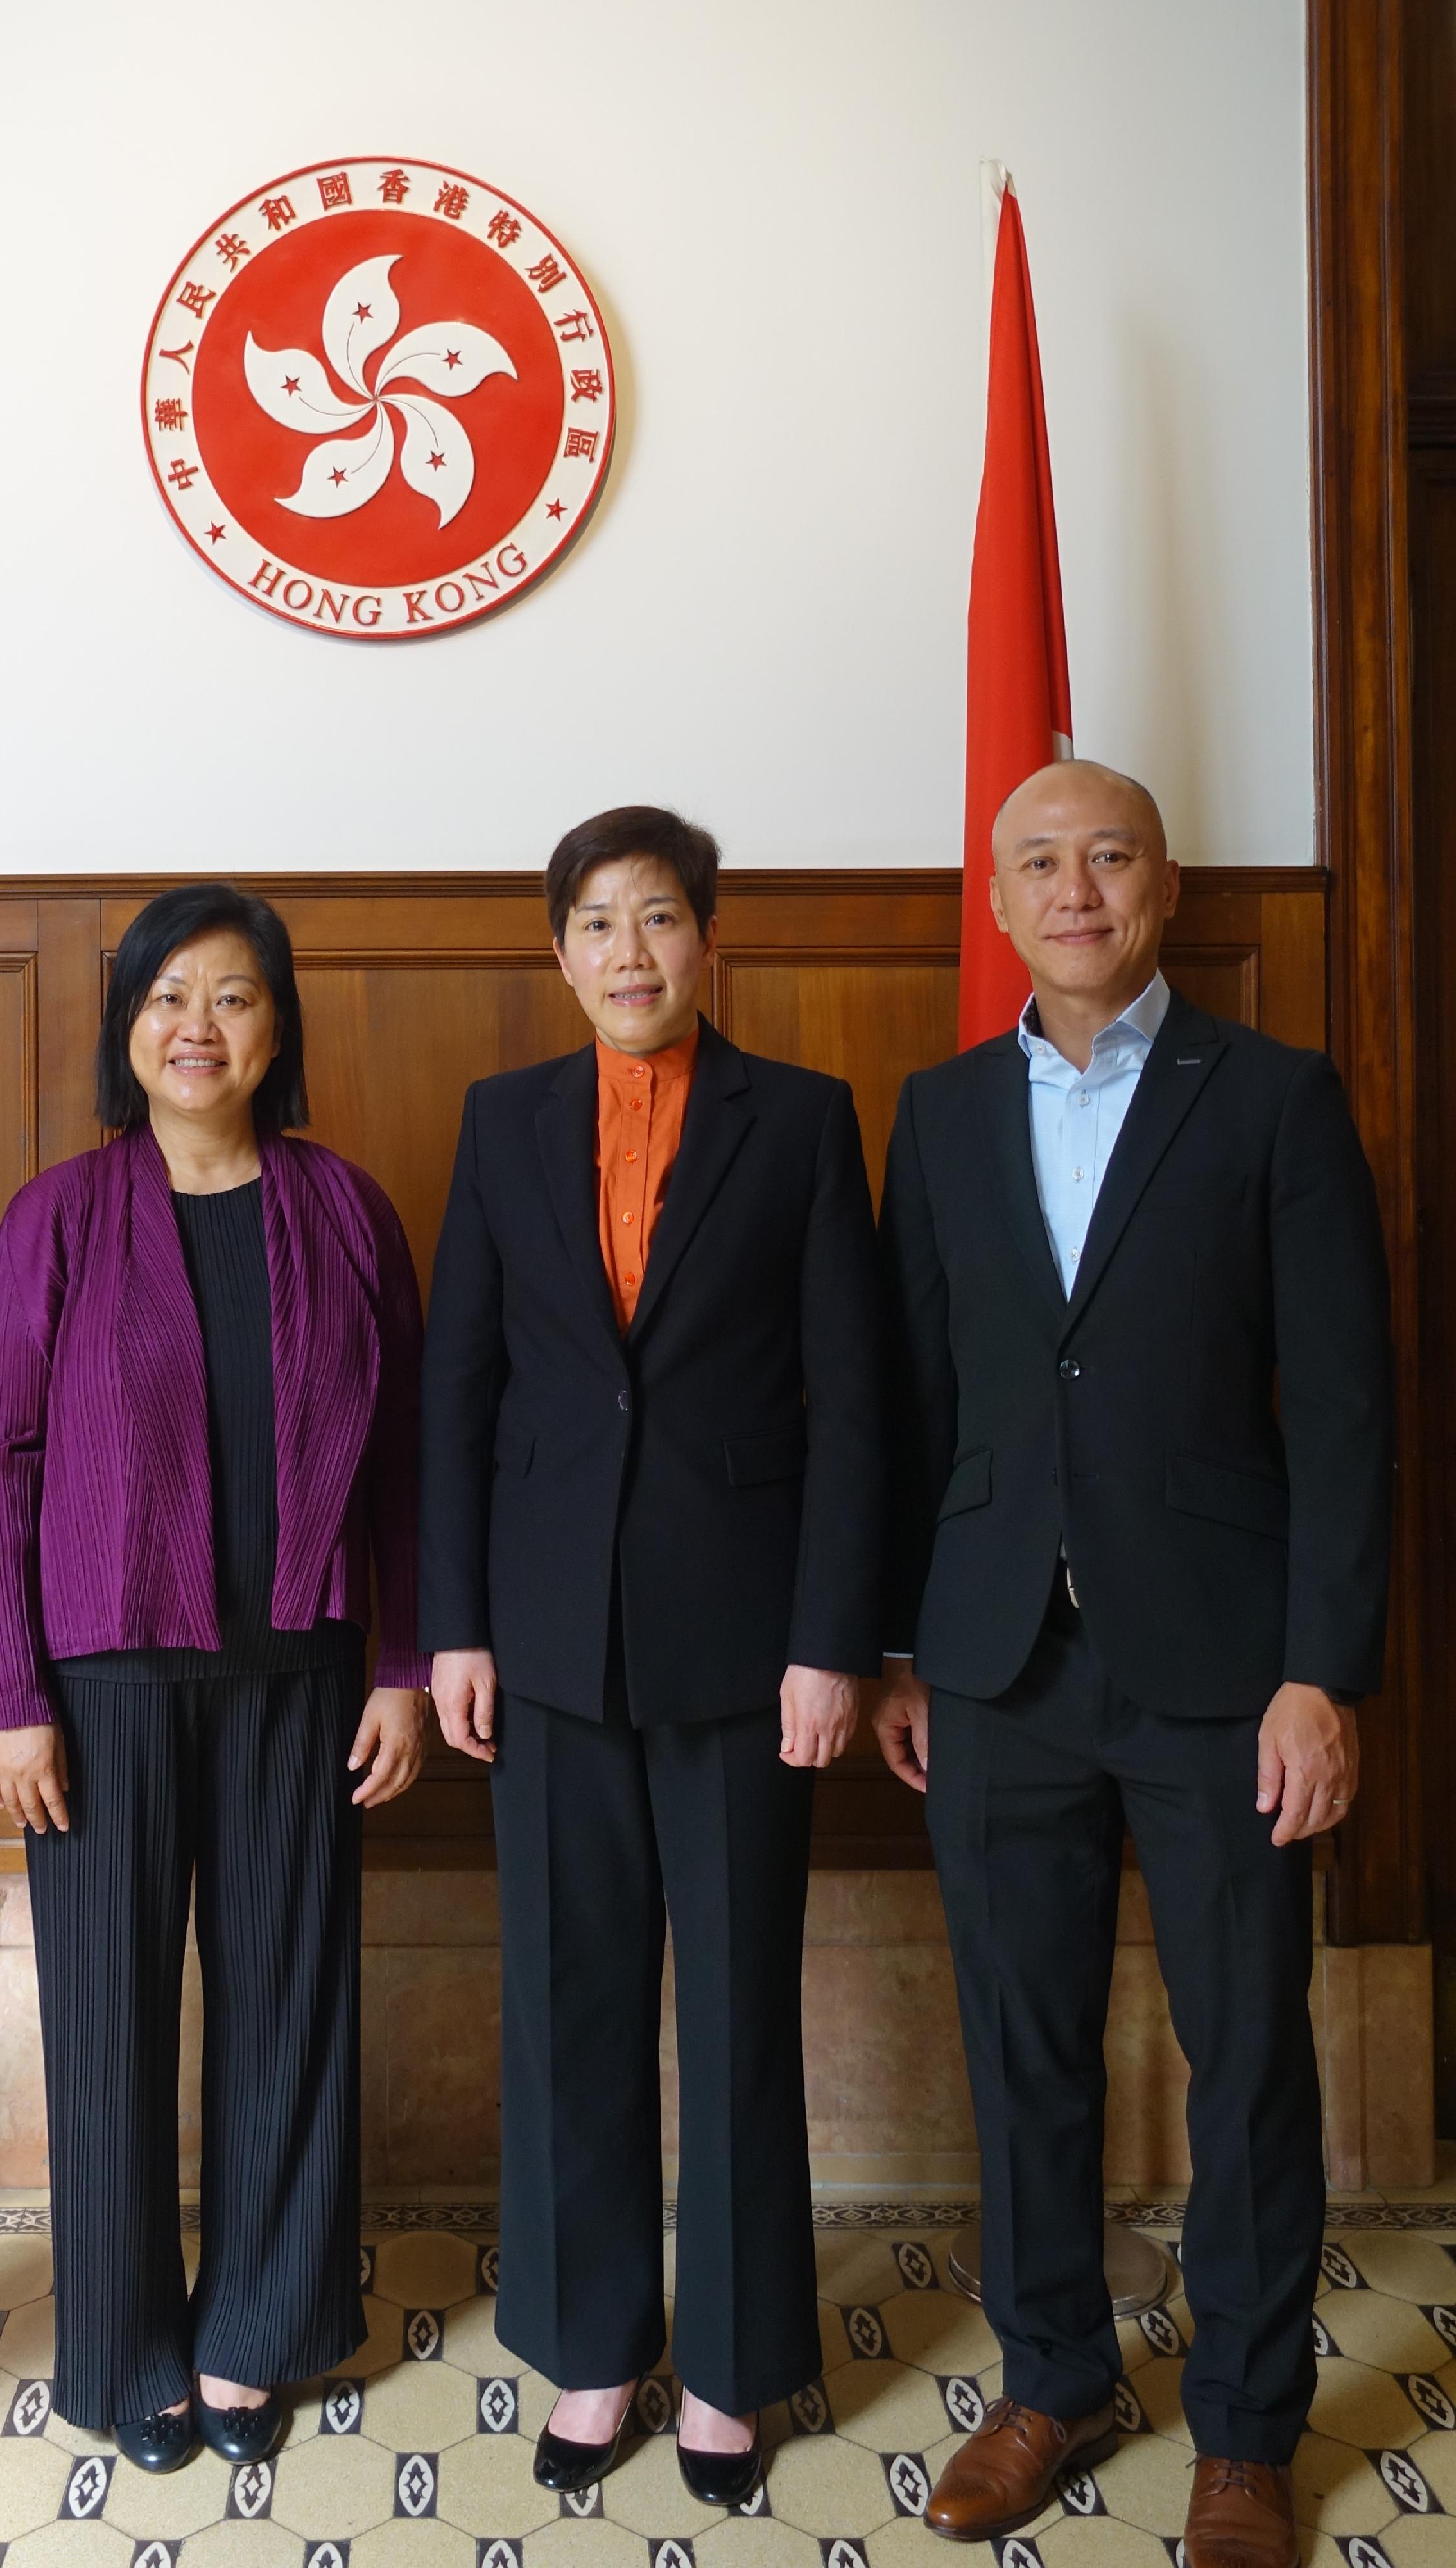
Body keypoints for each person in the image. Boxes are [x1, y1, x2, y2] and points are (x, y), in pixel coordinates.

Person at [876, 762, 1392, 2568]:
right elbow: (911, 1405)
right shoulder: (936, 1116)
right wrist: (897, 1650)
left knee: (1243, 2049)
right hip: (996, 1664)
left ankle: (1249, 2427)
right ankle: (1053, 2378)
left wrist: (1324, 1672)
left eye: (1108, 856)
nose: (1074, 887)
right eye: (1038, 862)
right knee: (1023, 2051)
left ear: (1164, 890)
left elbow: (1340, 1409)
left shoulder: (1270, 1101)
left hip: (1223, 1671)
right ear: (997, 904)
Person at [419, 806, 886, 2509]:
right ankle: (594, 2345)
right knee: (569, 2013)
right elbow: (458, 1387)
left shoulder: (806, 1121)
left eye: (662, 919)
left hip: (751, 1651)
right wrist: (451, 1622)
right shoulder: (504, 1123)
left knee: (742, 2015)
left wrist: (836, 1642)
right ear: (560, 955)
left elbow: (855, 1402)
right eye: (598, 924)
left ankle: (740, 2370)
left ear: (709, 941)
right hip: (542, 1647)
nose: (631, 951)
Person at [0, 882, 428, 2473]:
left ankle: (258, 2332)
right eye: (169, 996)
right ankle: (129, 2348)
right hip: (101, 1682)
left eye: (233, 996)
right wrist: (9, 1689)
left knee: (290, 2004)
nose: (199, 1026)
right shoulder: (62, 1213)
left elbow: (408, 1464)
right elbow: (0, 1458)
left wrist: (408, 1664)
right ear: (128, 1027)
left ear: (275, 1028)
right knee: (107, 2024)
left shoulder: (347, 1207)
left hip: (305, 1671)